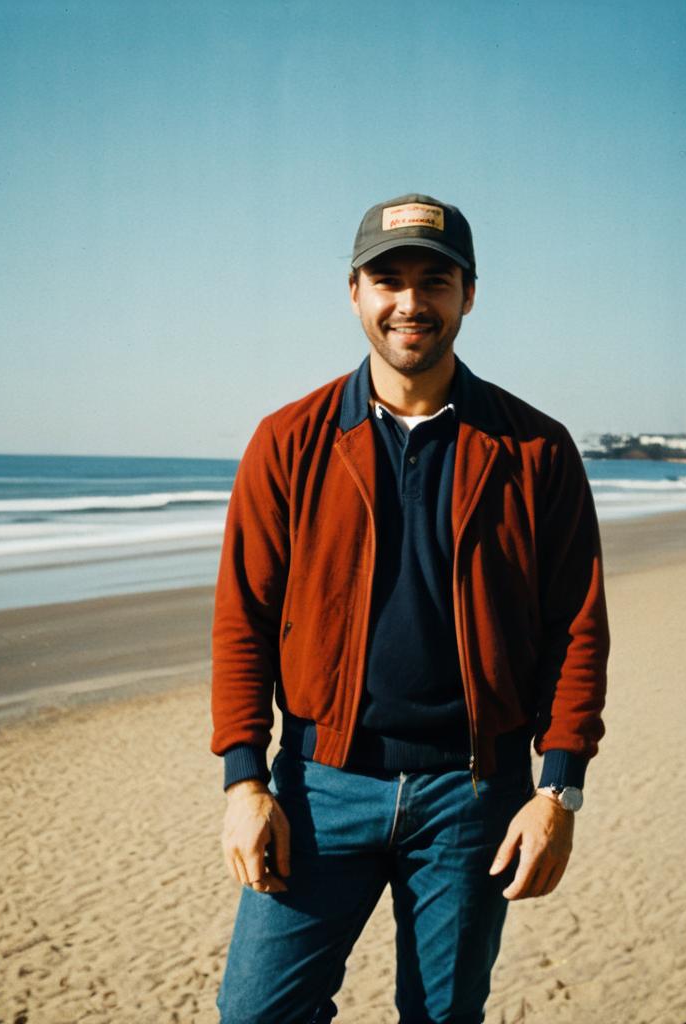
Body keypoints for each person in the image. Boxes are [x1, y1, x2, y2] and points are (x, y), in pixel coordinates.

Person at [210, 193, 609, 1024]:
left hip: (474, 796)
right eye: (388, 279)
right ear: (353, 292)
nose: (411, 302)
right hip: (320, 789)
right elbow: (242, 619)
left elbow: (577, 625)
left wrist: (558, 790)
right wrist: (244, 782)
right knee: (256, 1013)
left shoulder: (534, 448)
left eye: (436, 279)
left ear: (470, 294)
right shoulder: (289, 440)